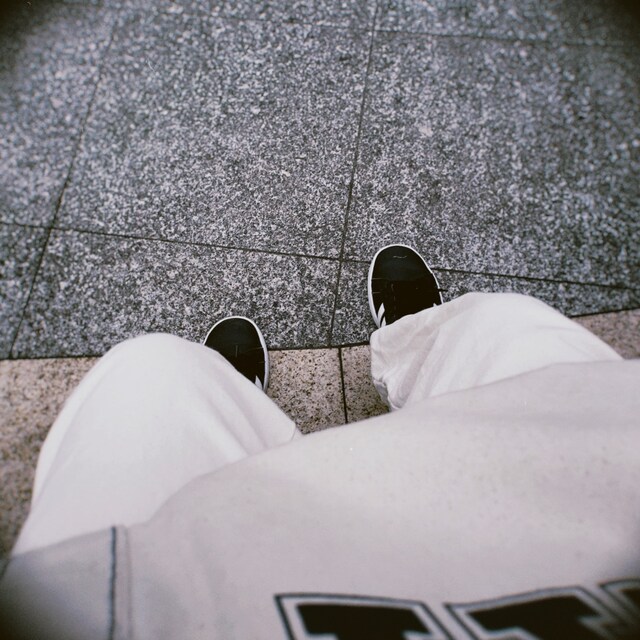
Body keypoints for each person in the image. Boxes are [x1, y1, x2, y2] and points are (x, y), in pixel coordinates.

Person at [1, 245, 639, 640]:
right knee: (509, 326)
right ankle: (413, 337)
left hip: (133, 606)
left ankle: (235, 398)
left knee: (152, 374)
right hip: (597, 492)